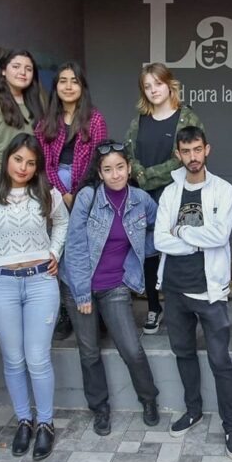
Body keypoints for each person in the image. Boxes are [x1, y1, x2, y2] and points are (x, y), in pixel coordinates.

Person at [0, 134, 69, 461]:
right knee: (13, 359)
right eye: (18, 160)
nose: (24, 168)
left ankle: (45, 423)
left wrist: (54, 251)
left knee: (37, 357)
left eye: (30, 162)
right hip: (2, 284)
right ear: (7, 159)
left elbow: (62, 223)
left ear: (37, 165)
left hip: (41, 281)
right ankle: (23, 419)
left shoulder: (46, 193)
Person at [154, 126, 232, 459]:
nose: (192, 157)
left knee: (221, 361)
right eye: (186, 151)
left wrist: (180, 231)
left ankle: (231, 427)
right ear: (178, 154)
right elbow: (159, 240)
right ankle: (193, 410)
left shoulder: (222, 190)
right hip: (175, 291)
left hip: (210, 292)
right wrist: (192, 239)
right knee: (184, 354)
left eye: (197, 150)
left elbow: (220, 237)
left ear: (207, 149)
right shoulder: (169, 192)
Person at [62, 140, 160, 436]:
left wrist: (139, 249)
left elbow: (160, 229)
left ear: (129, 168)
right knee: (89, 351)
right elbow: (75, 246)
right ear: (100, 173)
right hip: (80, 284)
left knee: (131, 347)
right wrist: (81, 293)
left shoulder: (141, 199)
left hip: (115, 284)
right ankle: (100, 408)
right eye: (108, 169)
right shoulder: (88, 198)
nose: (115, 174)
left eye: (120, 167)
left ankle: (149, 400)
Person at [124, 62, 204, 335]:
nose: (153, 90)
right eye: (147, 86)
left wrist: (146, 176)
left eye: (157, 84)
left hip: (175, 194)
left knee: (176, 249)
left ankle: (181, 307)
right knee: (148, 253)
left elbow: (185, 159)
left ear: (170, 84)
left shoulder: (186, 117)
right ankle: (153, 307)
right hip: (141, 196)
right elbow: (128, 155)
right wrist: (139, 174)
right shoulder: (140, 120)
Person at [35, 61, 108, 341]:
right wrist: (61, 191)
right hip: (52, 189)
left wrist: (78, 192)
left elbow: (97, 158)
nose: (68, 86)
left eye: (74, 81)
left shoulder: (95, 119)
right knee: (59, 252)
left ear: (82, 87)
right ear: (56, 87)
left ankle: (95, 312)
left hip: (87, 187)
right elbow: (42, 162)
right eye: (63, 81)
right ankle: (65, 313)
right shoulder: (45, 123)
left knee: (87, 251)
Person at [0, 49, 46, 187]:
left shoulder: (37, 100)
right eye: (16, 66)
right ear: (4, 70)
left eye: (28, 69)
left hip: (29, 177)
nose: (23, 72)